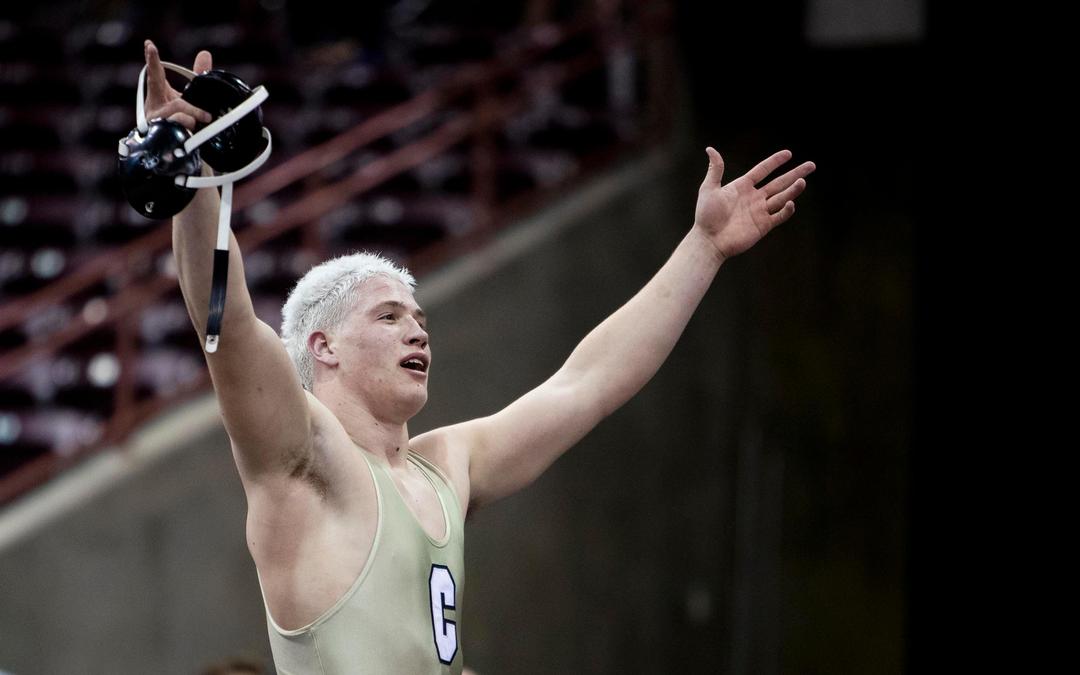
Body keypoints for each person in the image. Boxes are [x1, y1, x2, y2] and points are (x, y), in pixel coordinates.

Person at [144, 37, 813, 674]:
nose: (417, 333)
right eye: (389, 316)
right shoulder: (303, 456)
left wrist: (704, 248)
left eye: (420, 320)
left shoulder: (447, 466)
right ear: (324, 347)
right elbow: (226, 325)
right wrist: (192, 173)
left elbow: (588, 383)